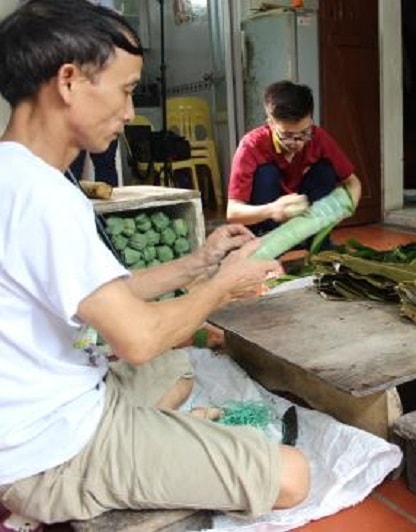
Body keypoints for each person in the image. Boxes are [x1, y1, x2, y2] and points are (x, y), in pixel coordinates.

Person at [0, 0, 309, 527]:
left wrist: (201, 261)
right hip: (50, 454)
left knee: (177, 367)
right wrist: (224, 285)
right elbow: (137, 337)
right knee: (292, 475)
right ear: (68, 80)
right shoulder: (40, 197)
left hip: (69, 400)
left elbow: (110, 292)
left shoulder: (24, 176)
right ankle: (107, 489)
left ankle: (157, 448)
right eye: (123, 91)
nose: (128, 112)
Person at [226, 80, 362, 239]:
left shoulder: (318, 138)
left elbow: (353, 182)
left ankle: (319, 242)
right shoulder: (251, 146)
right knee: (266, 173)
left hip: (303, 217)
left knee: (325, 170)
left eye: (304, 133)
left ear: (310, 120)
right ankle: (265, 246)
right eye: (288, 136)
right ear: (270, 123)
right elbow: (233, 212)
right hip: (267, 221)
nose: (297, 143)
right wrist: (272, 209)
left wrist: (346, 207)